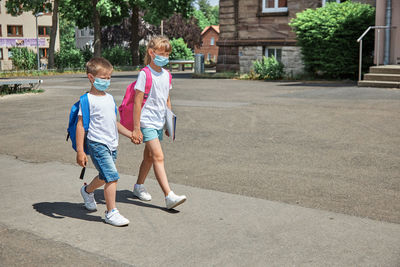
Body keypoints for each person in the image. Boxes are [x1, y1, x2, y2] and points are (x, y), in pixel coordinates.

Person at [131, 36, 187, 210]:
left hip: (158, 122)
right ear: (151, 52)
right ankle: (169, 196)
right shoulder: (145, 74)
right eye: (161, 53)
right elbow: (137, 102)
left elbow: (166, 100)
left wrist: (169, 124)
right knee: (158, 156)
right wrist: (136, 128)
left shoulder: (167, 75)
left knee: (148, 158)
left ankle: (138, 186)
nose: (165, 57)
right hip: (146, 122)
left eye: (167, 54)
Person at [76, 57, 132, 226]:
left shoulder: (109, 98)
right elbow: (80, 126)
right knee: (112, 176)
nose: (107, 81)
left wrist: (130, 134)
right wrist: (80, 150)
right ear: (91, 78)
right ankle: (111, 212)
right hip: (97, 144)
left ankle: (87, 191)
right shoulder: (87, 100)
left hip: (112, 144)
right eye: (103, 78)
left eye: (109, 77)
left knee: (104, 176)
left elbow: (114, 123)